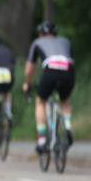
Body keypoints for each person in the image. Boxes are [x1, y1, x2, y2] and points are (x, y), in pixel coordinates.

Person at [22, 21, 75, 152]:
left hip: (51, 70)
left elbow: (29, 69)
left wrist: (27, 84)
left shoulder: (37, 42)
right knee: (64, 101)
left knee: (40, 101)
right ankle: (67, 127)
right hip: (68, 71)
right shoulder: (65, 41)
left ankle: (41, 139)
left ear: (41, 33)